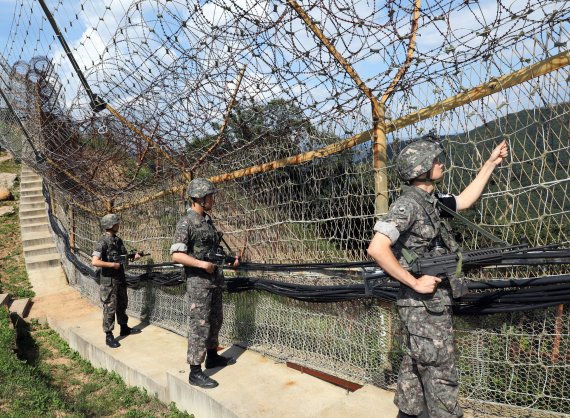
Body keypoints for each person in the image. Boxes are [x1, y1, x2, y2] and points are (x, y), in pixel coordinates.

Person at [367, 135, 508, 418]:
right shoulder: (408, 205)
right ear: (421, 169)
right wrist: (414, 281)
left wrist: (490, 164)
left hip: (426, 305)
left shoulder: (432, 201)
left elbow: (465, 200)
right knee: (440, 370)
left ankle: (408, 414)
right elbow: (377, 248)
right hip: (423, 305)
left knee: (417, 364)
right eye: (435, 161)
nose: (441, 164)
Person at [171, 178, 239, 389]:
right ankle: (195, 371)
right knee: (199, 325)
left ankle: (212, 356)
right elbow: (176, 255)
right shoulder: (186, 223)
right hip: (199, 284)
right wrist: (202, 264)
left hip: (214, 281)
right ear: (200, 197)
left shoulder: (207, 222)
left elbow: (212, 251)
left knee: (215, 319)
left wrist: (229, 260)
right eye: (210, 196)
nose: (213, 199)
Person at [92, 213, 141, 348]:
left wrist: (133, 257)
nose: (118, 225)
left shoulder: (118, 241)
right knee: (109, 308)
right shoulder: (102, 242)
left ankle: (124, 327)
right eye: (116, 224)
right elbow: (95, 261)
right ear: (111, 225)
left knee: (122, 304)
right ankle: (109, 335)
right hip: (108, 282)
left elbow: (123, 257)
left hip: (119, 279)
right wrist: (112, 265)